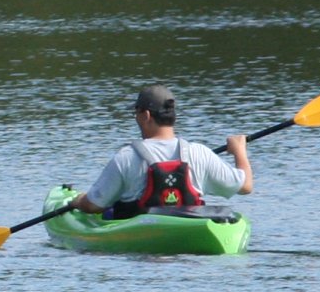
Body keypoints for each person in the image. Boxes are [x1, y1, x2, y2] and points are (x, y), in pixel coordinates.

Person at [68, 84, 251, 220]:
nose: (136, 118)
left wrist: (77, 201)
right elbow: (245, 186)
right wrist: (239, 151)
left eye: (136, 113)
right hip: (189, 229)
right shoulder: (200, 153)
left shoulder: (126, 157)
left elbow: (93, 205)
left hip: (142, 234)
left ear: (146, 115)